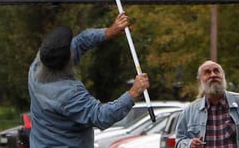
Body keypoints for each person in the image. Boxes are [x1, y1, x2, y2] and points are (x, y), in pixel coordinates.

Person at [28, 13, 150, 148]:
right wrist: (133, 92)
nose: (73, 46)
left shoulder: (37, 66)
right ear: (68, 59)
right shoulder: (68, 94)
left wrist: (110, 31)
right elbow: (101, 116)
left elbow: (80, 41)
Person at [175, 60, 239, 148]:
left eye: (216, 71)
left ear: (223, 77)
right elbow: (179, 141)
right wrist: (189, 144)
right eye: (207, 72)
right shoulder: (189, 111)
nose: (213, 75)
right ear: (199, 81)